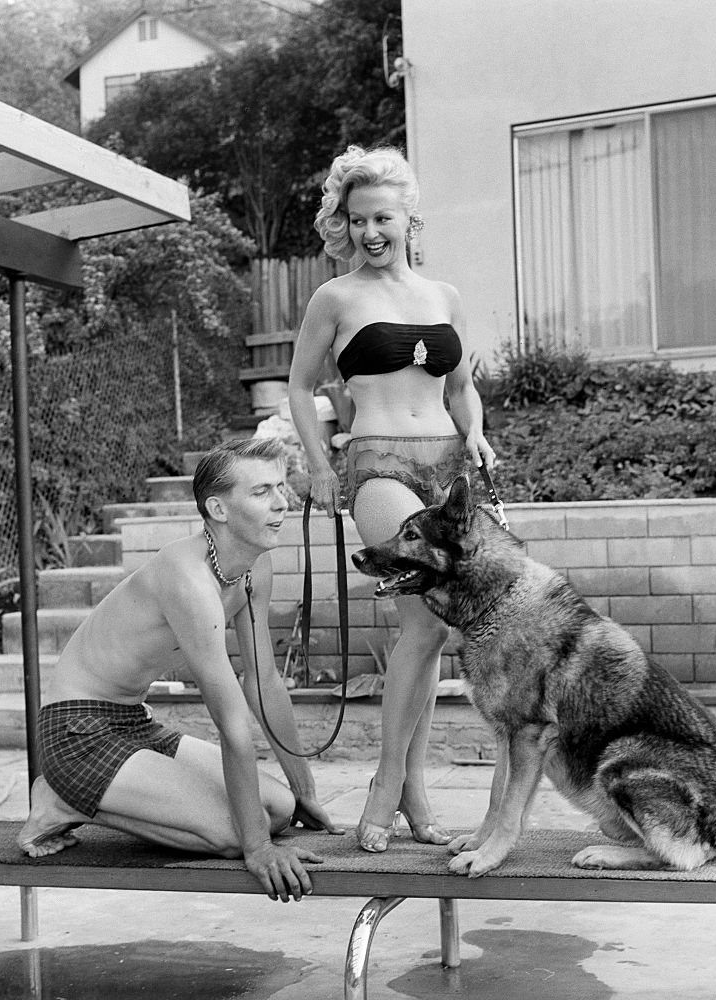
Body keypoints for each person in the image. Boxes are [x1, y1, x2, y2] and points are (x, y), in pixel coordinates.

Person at [17, 437, 342, 902]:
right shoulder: (188, 580)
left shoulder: (254, 567)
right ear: (219, 509)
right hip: (76, 732)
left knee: (279, 808)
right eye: (261, 492)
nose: (281, 503)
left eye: (281, 487)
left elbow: (264, 681)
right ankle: (62, 798)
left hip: (133, 723)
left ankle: (89, 797)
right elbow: (231, 721)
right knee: (236, 835)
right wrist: (258, 850)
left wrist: (304, 789)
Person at [288, 144, 496, 853]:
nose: (370, 231)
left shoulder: (445, 298)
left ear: (409, 218)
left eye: (383, 217)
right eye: (357, 219)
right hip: (377, 462)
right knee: (424, 624)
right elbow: (299, 386)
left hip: (446, 463)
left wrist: (477, 436)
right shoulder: (336, 298)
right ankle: (386, 784)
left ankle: (413, 791)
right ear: (343, 224)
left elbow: (462, 386)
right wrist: (319, 463)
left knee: (436, 633)